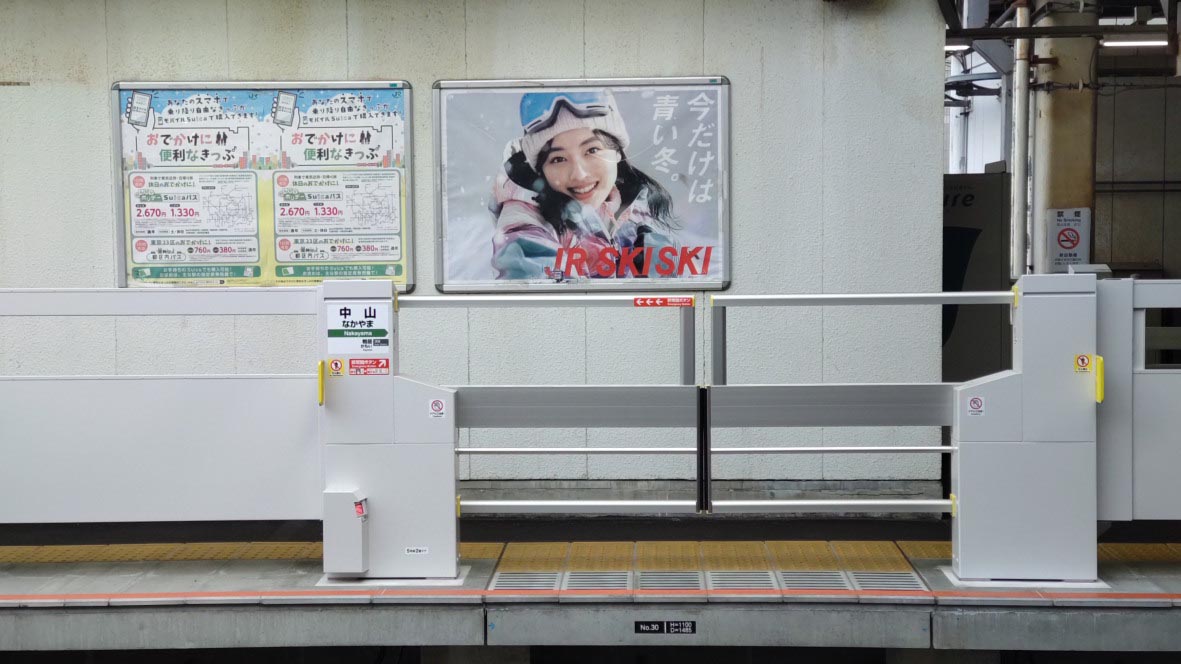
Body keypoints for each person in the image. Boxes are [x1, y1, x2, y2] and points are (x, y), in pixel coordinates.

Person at [490, 90, 678, 280]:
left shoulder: (635, 209)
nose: (579, 174)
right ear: (541, 171)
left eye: (592, 150)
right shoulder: (524, 218)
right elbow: (528, 276)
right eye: (558, 159)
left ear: (617, 152)